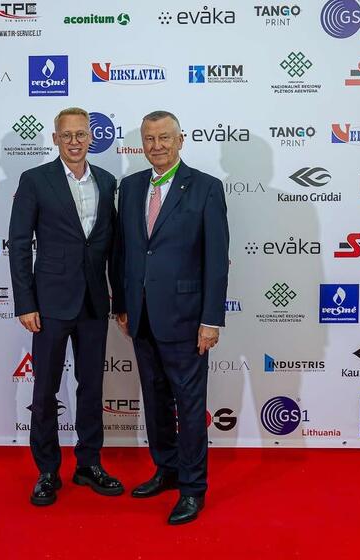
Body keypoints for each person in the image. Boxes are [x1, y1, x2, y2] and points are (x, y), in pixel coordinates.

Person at [113, 110, 229, 525]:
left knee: (189, 405)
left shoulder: (206, 188)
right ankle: (166, 469)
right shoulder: (130, 187)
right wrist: (121, 305)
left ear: (181, 140)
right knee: (155, 399)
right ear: (142, 143)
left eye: (165, 137)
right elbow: (123, 251)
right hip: (141, 316)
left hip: (186, 319)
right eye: (150, 138)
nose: (157, 145)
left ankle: (193, 488)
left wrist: (211, 320)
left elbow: (216, 259)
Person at [9, 107, 124, 506]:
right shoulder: (35, 180)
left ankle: (89, 463)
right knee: (45, 389)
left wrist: (121, 299)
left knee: (92, 387)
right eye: (67, 135)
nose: (75, 142)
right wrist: (25, 302)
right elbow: (19, 244)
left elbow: (114, 248)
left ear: (91, 138)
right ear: (55, 138)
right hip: (50, 304)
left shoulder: (107, 181)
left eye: (81, 134)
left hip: (94, 301)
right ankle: (46, 470)